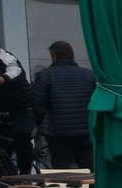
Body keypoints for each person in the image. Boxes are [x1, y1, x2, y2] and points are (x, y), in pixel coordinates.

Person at [32, 41, 94, 170]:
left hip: (57, 131)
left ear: (54, 57)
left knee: (61, 169)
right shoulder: (89, 75)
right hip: (85, 129)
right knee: (88, 167)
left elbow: (38, 104)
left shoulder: (46, 75)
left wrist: (42, 125)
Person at [0, 40, 36, 173]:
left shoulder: (6, 57)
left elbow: (15, 70)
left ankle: (25, 174)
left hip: (23, 108)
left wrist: (3, 78)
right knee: (0, 144)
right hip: (0, 112)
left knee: (22, 133)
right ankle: (4, 177)